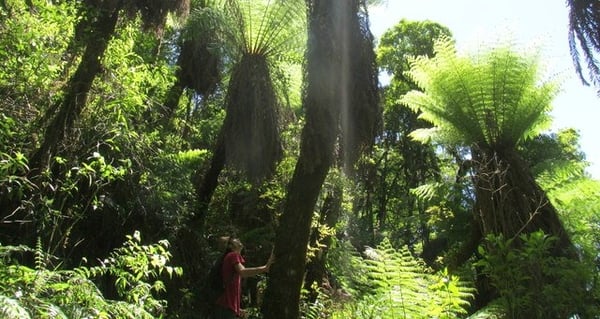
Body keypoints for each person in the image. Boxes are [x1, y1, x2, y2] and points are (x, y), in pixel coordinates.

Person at [213, 236, 274, 319]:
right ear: (230, 246)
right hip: (226, 307)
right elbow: (243, 272)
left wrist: (238, 309)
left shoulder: (230, 257)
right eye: (235, 240)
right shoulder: (233, 255)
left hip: (226, 307)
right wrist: (265, 268)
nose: (238, 239)